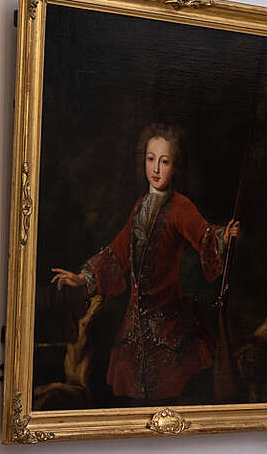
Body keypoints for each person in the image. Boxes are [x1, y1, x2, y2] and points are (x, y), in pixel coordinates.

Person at [52, 126, 240, 402]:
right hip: (135, 323)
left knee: (170, 395)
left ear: (175, 167)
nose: (156, 169)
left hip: (169, 323)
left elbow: (204, 235)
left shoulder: (181, 206)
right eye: (151, 159)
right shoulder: (140, 206)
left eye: (164, 161)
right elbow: (118, 251)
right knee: (134, 398)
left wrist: (223, 237)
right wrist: (82, 277)